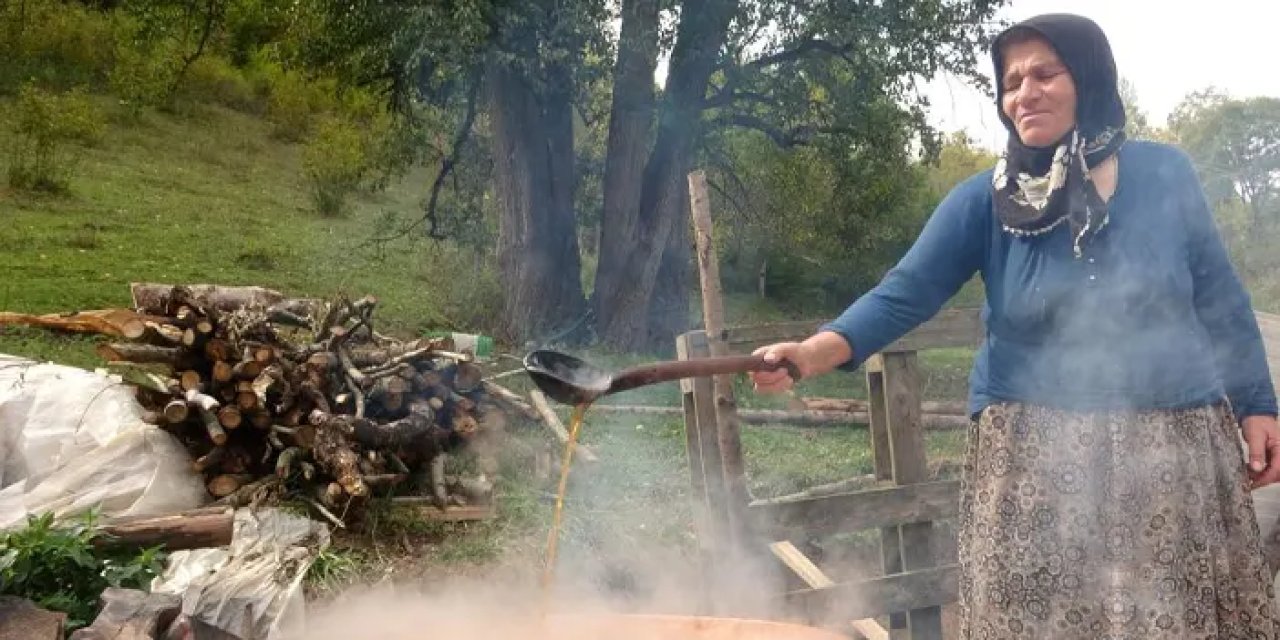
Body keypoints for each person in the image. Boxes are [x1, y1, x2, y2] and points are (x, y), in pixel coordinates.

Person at [748, 13, 1280, 639]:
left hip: (1171, 450)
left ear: (1088, 77)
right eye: (1011, 81)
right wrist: (812, 352)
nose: (1024, 92)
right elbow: (906, 292)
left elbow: (1218, 294)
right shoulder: (984, 199)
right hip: (1034, 461)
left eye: (1045, 73)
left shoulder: (1166, 175)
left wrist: (1256, 402)